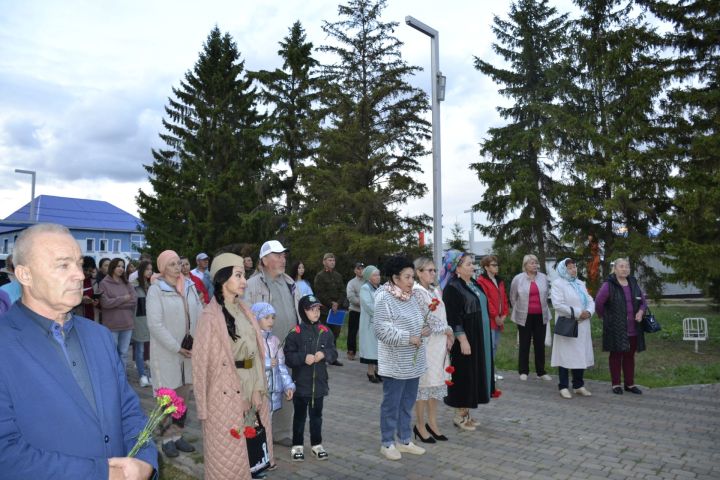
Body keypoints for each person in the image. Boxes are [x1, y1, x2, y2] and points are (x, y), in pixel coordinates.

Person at [0, 223, 156, 479]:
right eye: (63, 265)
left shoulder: (99, 336)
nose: (79, 275)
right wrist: (101, 474)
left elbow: (128, 410)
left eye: (79, 263)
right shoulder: (5, 344)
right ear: (25, 275)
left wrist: (144, 458)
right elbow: (6, 455)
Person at [193, 253, 274, 480]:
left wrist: (258, 388)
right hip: (225, 396)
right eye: (238, 275)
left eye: (244, 275)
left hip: (252, 385)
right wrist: (204, 407)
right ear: (222, 278)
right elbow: (200, 367)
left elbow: (256, 355)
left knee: (255, 455)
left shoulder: (246, 310)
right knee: (230, 461)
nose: (244, 281)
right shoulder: (210, 318)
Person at [146, 250, 203, 458]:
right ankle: (166, 439)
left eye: (178, 262)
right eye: (171, 264)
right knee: (167, 399)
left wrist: (198, 341)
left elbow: (199, 312)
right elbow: (155, 324)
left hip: (189, 352)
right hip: (167, 352)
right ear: (162, 268)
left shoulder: (189, 286)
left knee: (184, 396)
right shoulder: (156, 290)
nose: (177, 267)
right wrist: (176, 347)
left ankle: (177, 435)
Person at [245, 239, 301, 448]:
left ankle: (281, 431)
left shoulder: (289, 282)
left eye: (283, 255)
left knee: (286, 386)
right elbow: (246, 317)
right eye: (277, 255)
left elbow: (298, 310)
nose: (283, 259)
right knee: (265, 388)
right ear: (265, 260)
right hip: (264, 349)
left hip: (288, 347)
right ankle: (260, 431)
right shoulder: (252, 285)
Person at [374, 256, 427, 461]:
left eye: (412, 277)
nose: (411, 281)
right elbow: (381, 330)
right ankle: (387, 443)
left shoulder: (412, 296)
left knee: (407, 403)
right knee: (391, 404)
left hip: (413, 363)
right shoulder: (383, 298)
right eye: (407, 277)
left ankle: (404, 440)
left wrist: (425, 329)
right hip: (395, 363)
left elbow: (420, 319)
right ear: (395, 278)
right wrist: (408, 338)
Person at [441, 250, 495, 431]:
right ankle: (459, 415)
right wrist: (462, 339)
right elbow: (453, 318)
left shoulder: (472, 284)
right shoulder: (452, 288)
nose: (473, 267)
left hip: (478, 337)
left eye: (472, 263)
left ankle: (468, 413)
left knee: (474, 375)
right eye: (468, 264)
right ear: (457, 268)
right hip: (465, 338)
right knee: (463, 376)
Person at [284, 294, 338, 462]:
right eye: (311, 309)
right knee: (299, 417)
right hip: (301, 385)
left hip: (319, 384)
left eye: (317, 309)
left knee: (317, 417)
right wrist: (302, 358)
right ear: (303, 311)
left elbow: (334, 352)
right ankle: (297, 445)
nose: (316, 312)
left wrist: (325, 354)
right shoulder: (295, 333)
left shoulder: (325, 331)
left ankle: (316, 444)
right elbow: (288, 356)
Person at [412, 257, 453, 443]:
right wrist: (448, 330)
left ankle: (433, 423)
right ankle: (420, 426)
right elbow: (428, 320)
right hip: (427, 345)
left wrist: (447, 332)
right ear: (418, 272)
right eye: (428, 270)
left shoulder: (435, 289)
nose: (433, 273)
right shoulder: (417, 291)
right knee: (424, 386)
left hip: (439, 345)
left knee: (435, 385)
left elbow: (442, 316)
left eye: (434, 270)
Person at [595, 257, 648, 395]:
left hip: (633, 328)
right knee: (616, 356)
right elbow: (599, 304)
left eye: (627, 267)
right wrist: (607, 318)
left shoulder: (633, 282)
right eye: (621, 266)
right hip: (616, 328)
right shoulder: (609, 285)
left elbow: (643, 301)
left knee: (630, 356)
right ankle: (616, 384)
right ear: (615, 268)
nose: (625, 269)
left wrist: (641, 312)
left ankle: (630, 384)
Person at [550, 258, 595, 399]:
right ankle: (563, 386)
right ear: (563, 269)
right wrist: (577, 312)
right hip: (567, 325)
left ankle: (578, 385)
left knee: (580, 354)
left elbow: (590, 300)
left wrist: (589, 311)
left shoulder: (580, 283)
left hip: (582, 325)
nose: (573, 269)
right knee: (565, 355)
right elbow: (557, 304)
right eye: (569, 268)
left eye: (574, 267)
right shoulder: (558, 284)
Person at [509, 254, 552, 381]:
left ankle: (541, 372)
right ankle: (523, 371)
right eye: (532, 263)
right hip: (524, 316)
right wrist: (518, 309)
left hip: (541, 315)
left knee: (540, 344)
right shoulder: (518, 279)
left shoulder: (543, 278)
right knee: (524, 343)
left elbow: (546, 294)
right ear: (525, 265)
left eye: (536, 262)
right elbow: (512, 296)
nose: (535, 265)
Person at [252, 302, 295, 415]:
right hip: (257, 393)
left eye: (273, 317)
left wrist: (288, 386)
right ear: (255, 318)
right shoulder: (251, 340)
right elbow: (246, 365)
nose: (271, 321)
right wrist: (265, 363)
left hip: (273, 394)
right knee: (254, 427)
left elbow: (281, 366)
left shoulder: (275, 341)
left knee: (267, 426)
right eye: (266, 317)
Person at [99, 258, 138, 370]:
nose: (121, 268)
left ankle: (122, 377)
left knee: (123, 353)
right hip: (112, 326)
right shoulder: (104, 284)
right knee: (112, 353)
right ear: (113, 267)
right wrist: (123, 298)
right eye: (118, 266)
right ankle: (113, 376)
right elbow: (105, 303)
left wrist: (115, 302)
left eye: (123, 266)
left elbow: (134, 301)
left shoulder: (127, 283)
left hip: (127, 324)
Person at [476, 255, 509, 380]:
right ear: (486, 267)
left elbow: (504, 298)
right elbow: (486, 300)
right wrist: (495, 316)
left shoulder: (499, 280)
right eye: (493, 265)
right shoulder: (481, 281)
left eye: (497, 264)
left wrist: (504, 314)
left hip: (499, 319)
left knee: (494, 346)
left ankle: (491, 371)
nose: (497, 267)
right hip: (490, 320)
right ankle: (485, 373)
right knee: (488, 346)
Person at [313, 253, 347, 365]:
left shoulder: (338, 276)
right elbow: (319, 293)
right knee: (324, 333)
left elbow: (343, 291)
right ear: (324, 262)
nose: (332, 262)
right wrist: (331, 303)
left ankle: (332, 357)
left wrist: (338, 303)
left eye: (333, 260)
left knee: (335, 334)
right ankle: (321, 357)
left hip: (337, 310)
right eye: (329, 260)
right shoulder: (320, 276)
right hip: (325, 310)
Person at [132, 260, 153, 388]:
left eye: (151, 269)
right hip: (139, 320)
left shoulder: (151, 284)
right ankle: (142, 375)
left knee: (150, 351)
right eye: (147, 269)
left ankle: (150, 375)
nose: (150, 271)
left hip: (150, 320)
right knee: (139, 350)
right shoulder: (134, 285)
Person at [359, 265, 381, 382]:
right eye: (375, 275)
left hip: (380, 324)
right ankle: (370, 372)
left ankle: (378, 371)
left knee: (379, 348)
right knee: (370, 348)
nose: (378, 277)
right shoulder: (365, 288)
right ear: (368, 277)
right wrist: (383, 312)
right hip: (369, 324)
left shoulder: (381, 288)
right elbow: (368, 305)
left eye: (378, 274)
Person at [345, 262, 365, 361]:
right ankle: (351, 351)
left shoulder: (368, 281)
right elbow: (351, 297)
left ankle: (364, 353)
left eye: (362, 268)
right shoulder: (351, 283)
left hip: (366, 312)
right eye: (358, 268)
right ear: (355, 270)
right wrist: (363, 303)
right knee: (352, 332)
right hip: (354, 310)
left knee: (365, 333)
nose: (360, 270)